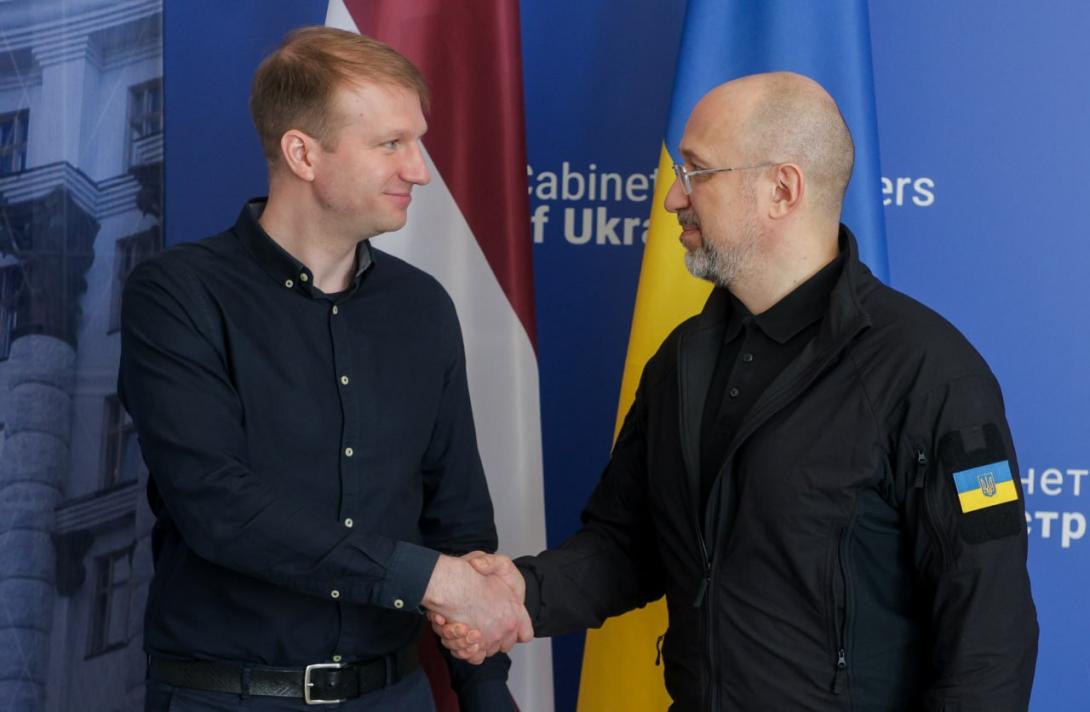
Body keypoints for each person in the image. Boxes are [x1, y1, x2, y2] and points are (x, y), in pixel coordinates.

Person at [432, 72, 1039, 711]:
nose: (674, 197)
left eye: (696, 172)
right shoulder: (682, 359)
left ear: (782, 189)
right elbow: (626, 544)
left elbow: (988, 636)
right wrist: (520, 595)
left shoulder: (928, 371)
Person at [119, 27, 529, 711]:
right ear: (302, 153)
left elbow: (456, 517)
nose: (420, 171)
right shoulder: (178, 294)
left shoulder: (422, 306)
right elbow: (220, 509)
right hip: (228, 699)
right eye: (391, 144)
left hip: (396, 695)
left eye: (417, 142)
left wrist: (486, 694)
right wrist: (430, 579)